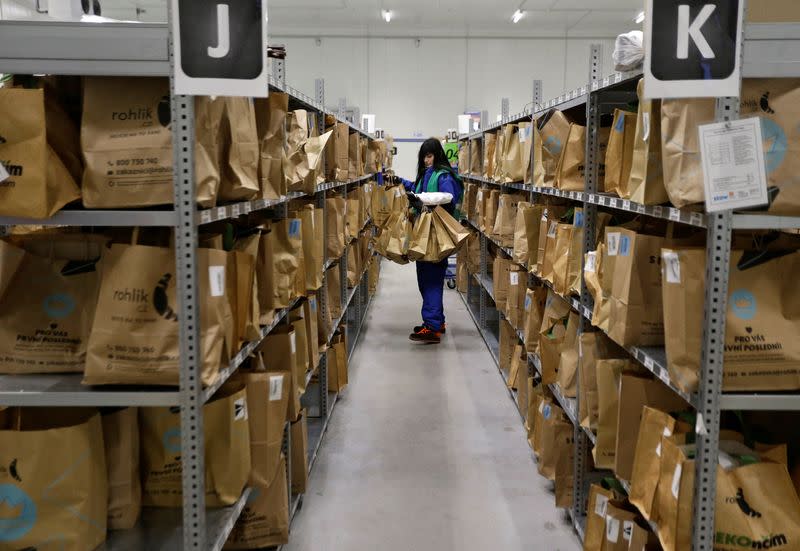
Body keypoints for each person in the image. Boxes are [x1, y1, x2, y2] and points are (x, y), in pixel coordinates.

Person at [396, 138, 463, 344]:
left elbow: (448, 196)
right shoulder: (428, 174)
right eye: (424, 156)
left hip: (434, 235)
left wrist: (423, 199)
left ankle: (432, 327)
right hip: (424, 234)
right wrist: (399, 181)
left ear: (437, 155)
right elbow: (418, 191)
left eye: (429, 155)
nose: (426, 160)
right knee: (425, 278)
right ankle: (437, 322)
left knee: (431, 280)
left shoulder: (443, 175)